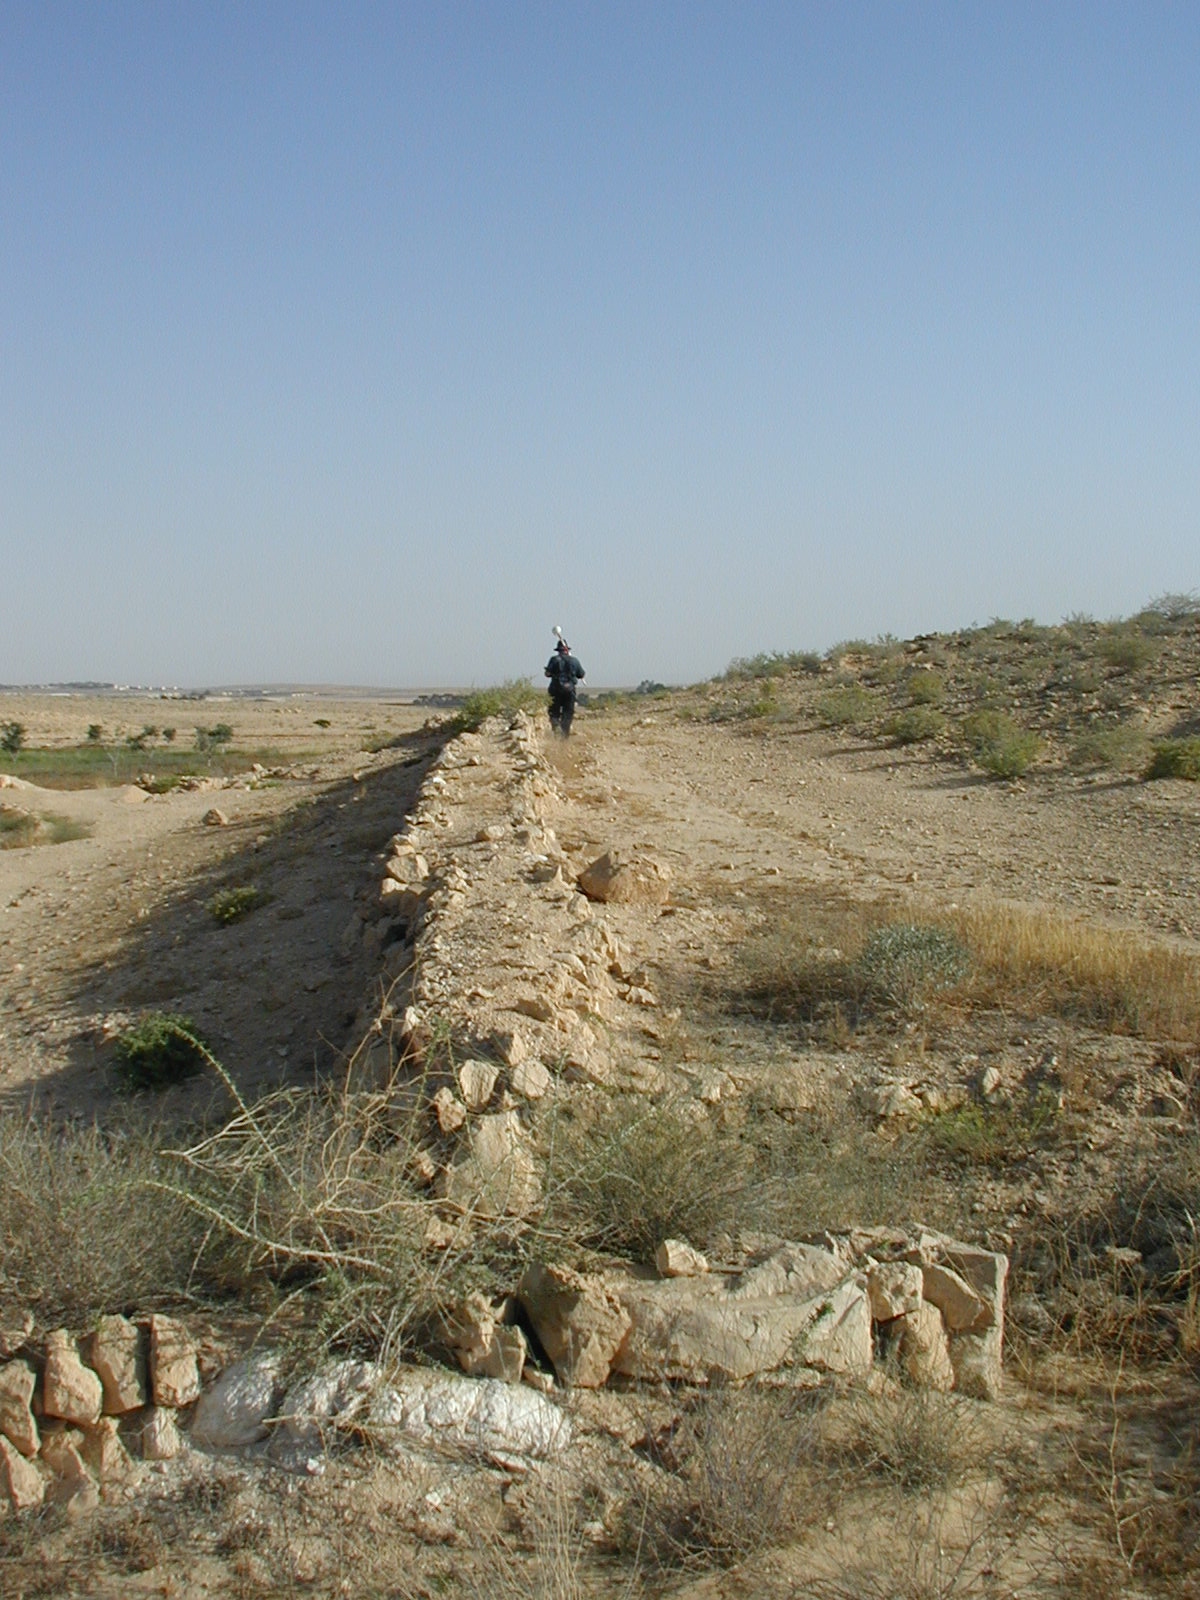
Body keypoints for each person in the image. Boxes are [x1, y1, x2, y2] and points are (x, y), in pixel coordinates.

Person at [544, 637, 585, 737]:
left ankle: (556, 730)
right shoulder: (574, 661)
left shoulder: (554, 660)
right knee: (568, 715)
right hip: (570, 691)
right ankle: (564, 737)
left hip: (555, 690)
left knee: (554, 713)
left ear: (558, 650)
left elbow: (547, 673)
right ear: (567, 650)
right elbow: (582, 674)